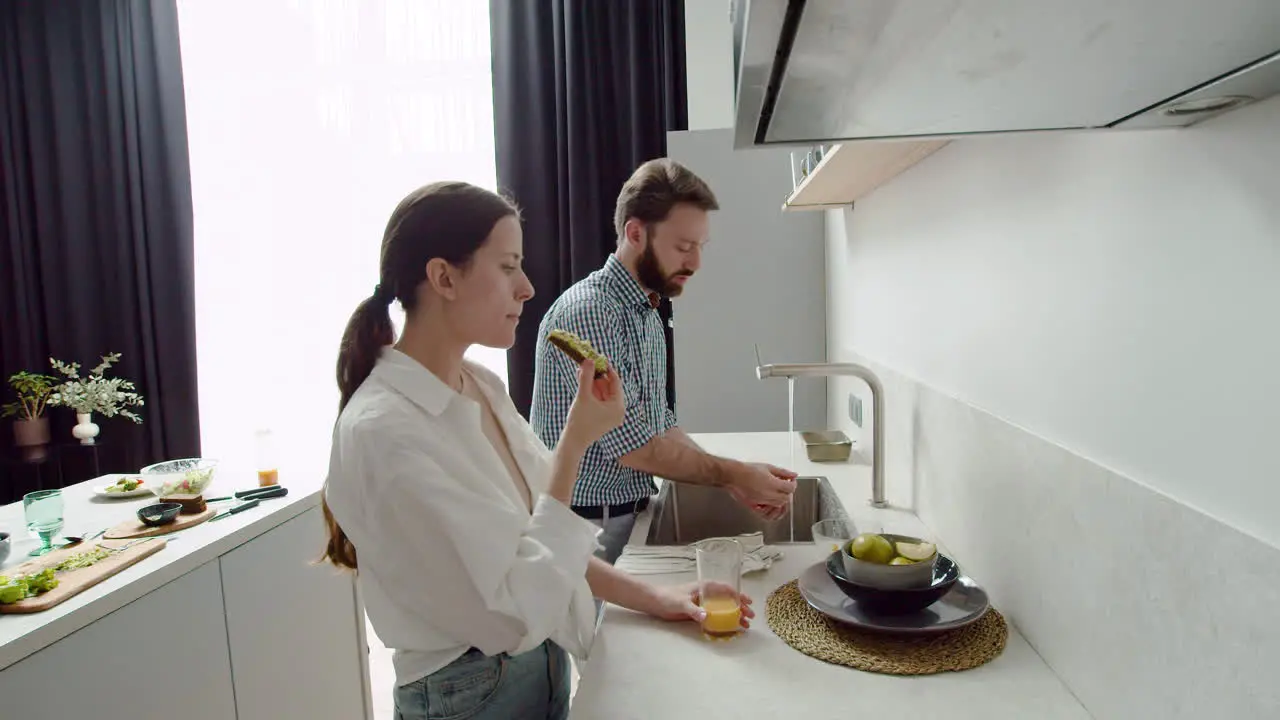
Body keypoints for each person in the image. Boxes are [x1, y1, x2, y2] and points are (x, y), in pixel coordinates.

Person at [320, 181, 754, 720]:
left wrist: (658, 597)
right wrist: (576, 440)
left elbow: (541, 549)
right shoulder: (384, 433)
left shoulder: (478, 383)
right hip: (469, 690)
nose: (527, 287)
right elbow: (516, 610)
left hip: (538, 664)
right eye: (507, 267)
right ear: (443, 277)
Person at [529, 158, 799, 565]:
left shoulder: (646, 309)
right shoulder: (591, 313)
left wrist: (734, 481)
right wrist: (733, 474)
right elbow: (634, 448)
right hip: (588, 525)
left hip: (626, 513)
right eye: (683, 247)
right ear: (635, 233)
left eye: (699, 247)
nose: (695, 263)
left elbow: (659, 424)